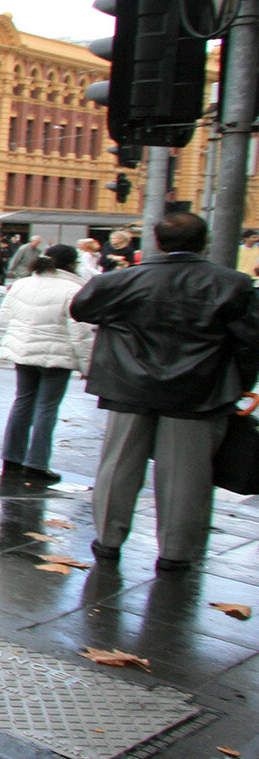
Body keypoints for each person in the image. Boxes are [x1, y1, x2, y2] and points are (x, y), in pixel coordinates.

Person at [72, 211, 259, 571]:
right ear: (204, 242)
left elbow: (82, 307)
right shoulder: (231, 284)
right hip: (198, 391)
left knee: (118, 465)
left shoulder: (124, 280)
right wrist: (239, 384)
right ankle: (174, 552)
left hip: (129, 386)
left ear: (157, 242)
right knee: (187, 475)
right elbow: (250, 343)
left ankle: (108, 540)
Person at [0, 243, 92, 485]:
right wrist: (87, 366)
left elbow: (4, 316)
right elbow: (81, 333)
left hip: (24, 352)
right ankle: (37, 464)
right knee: (47, 408)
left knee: (23, 401)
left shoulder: (23, 283)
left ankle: (11, 458)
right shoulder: (73, 289)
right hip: (57, 357)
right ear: (72, 264)